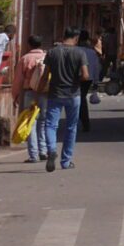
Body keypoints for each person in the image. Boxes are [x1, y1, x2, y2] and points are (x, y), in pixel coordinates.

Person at [37, 34, 96, 171]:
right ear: (76, 39)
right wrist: (75, 80)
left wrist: (39, 92)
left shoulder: (52, 52)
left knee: (51, 125)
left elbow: (45, 75)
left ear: (64, 37)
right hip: (73, 94)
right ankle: (66, 161)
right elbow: (86, 75)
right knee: (71, 127)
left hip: (55, 93)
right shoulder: (79, 52)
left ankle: (51, 149)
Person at [15, 35, 50, 161]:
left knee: (30, 123)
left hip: (30, 93)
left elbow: (18, 80)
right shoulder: (46, 57)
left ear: (29, 45)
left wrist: (16, 96)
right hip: (46, 93)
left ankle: (33, 154)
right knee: (43, 122)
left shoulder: (25, 59)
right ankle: (43, 151)